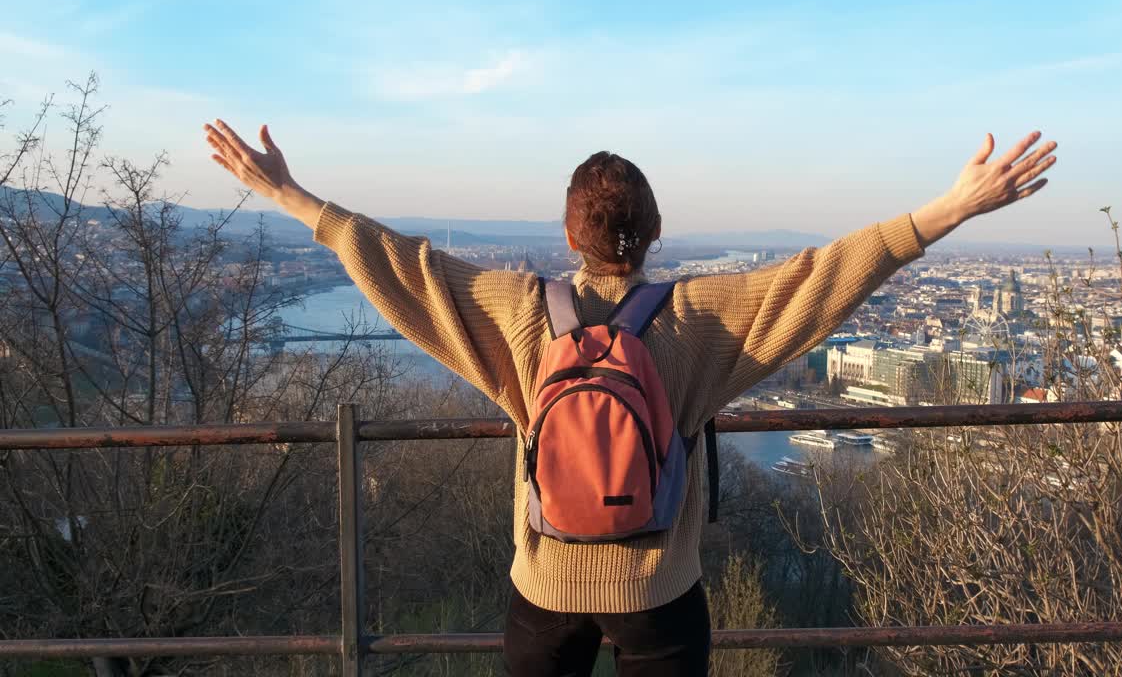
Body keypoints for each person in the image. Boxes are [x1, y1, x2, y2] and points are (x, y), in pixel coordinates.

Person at [202, 120, 1056, 676]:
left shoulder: (519, 310)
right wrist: (950, 207)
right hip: (657, 584)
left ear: (568, 235)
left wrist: (288, 193)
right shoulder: (696, 319)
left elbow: (400, 266)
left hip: (546, 577)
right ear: (653, 233)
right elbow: (824, 276)